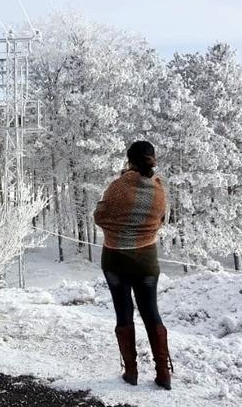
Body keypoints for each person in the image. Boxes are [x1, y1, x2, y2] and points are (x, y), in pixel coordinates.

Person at [94, 140, 174, 390]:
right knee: (151, 312)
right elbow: (161, 220)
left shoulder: (118, 187)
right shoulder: (159, 190)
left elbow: (99, 217)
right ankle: (163, 373)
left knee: (123, 312)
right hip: (146, 260)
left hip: (115, 259)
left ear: (129, 160)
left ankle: (131, 372)